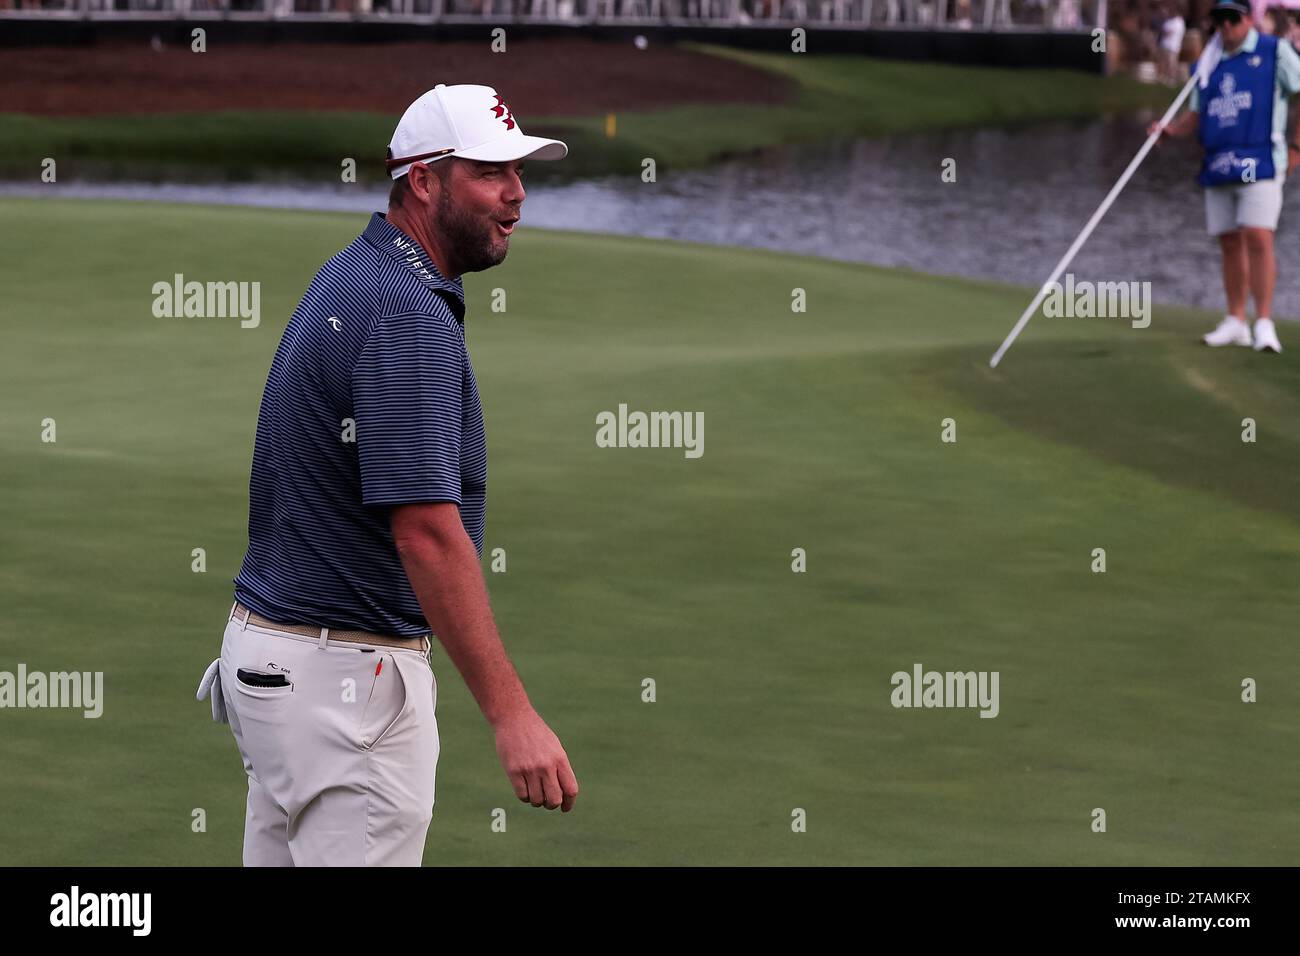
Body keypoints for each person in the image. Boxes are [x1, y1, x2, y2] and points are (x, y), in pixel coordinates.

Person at [198, 84, 579, 866]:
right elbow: (429, 534)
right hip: (345, 693)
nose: (517, 193)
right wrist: (512, 716)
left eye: (518, 170)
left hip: (273, 664)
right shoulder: (406, 313)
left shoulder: (356, 272)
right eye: (490, 172)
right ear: (425, 181)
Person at [1150, 0, 1300, 352]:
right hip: (1219, 163)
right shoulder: (1209, 62)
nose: (1226, 27)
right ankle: (1236, 320)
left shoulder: (1274, 50)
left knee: (1258, 237)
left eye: (1233, 19)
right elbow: (1198, 115)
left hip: (1261, 159)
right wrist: (1171, 131)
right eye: (1220, 20)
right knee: (1229, 241)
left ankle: (1263, 321)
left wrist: (1296, 147)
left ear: (1249, 19)